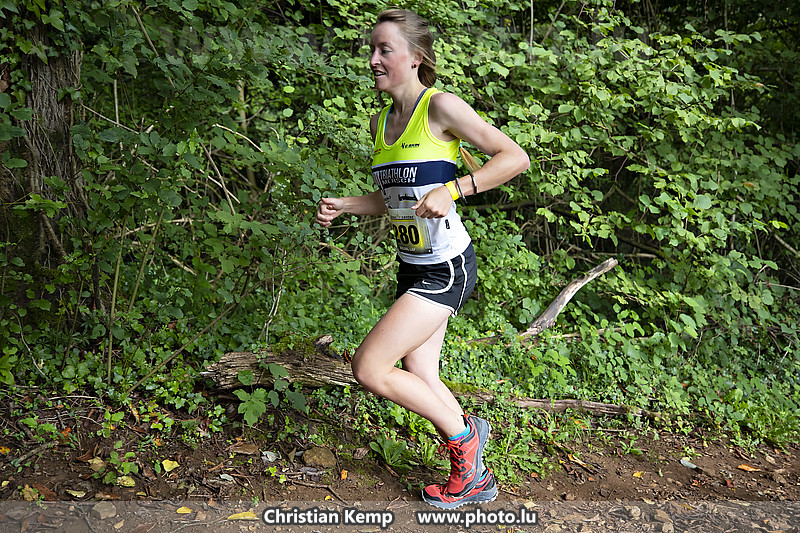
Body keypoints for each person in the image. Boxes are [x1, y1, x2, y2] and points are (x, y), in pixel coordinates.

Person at [315, 8, 529, 509]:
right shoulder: (379, 123)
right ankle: (473, 461)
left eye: (384, 49)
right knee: (422, 373)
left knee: (370, 367)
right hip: (412, 265)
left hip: (446, 266)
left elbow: (514, 158)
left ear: (415, 58)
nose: (373, 59)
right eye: (371, 49)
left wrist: (455, 189)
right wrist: (346, 205)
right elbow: (396, 198)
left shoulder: (440, 107)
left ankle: (465, 441)